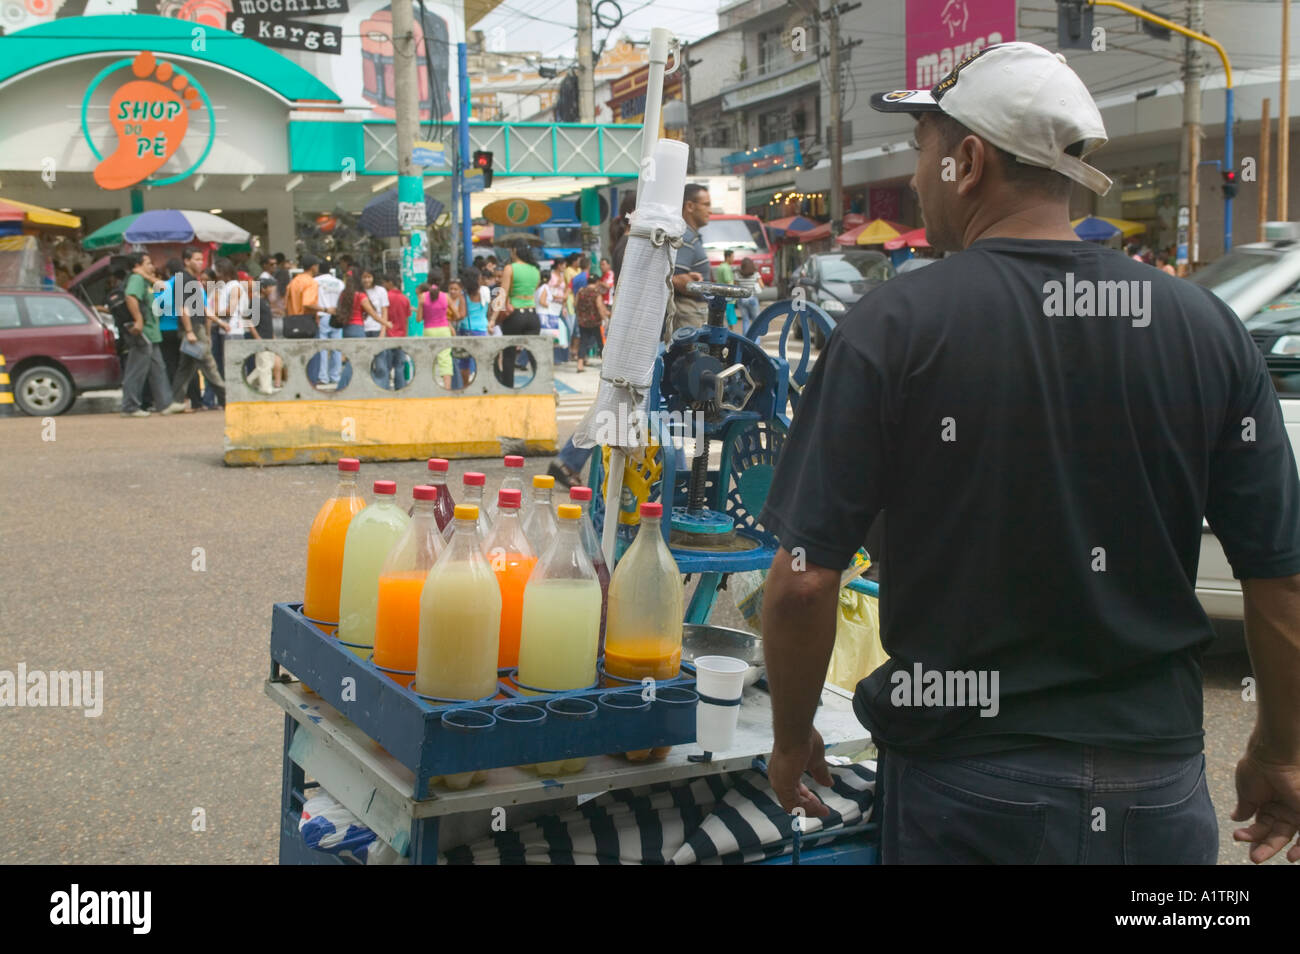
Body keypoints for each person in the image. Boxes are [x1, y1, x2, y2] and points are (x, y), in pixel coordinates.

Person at [758, 40, 1300, 866]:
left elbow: (802, 581)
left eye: (924, 151)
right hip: (1159, 791)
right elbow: (1283, 576)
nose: (914, 178)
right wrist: (1280, 749)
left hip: (971, 796)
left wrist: (791, 736)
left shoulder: (893, 327)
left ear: (968, 162)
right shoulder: (1206, 329)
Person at [164, 249, 225, 413]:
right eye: (196, 259)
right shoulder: (182, 280)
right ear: (186, 261)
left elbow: (202, 307)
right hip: (193, 329)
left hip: (196, 328)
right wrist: (189, 331)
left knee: (185, 367)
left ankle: (176, 401)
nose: (200, 263)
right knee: (209, 365)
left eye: (201, 259)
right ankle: (227, 399)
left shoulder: (192, 280)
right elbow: (182, 306)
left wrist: (219, 321)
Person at [118, 252, 173, 417]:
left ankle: (165, 403)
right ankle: (130, 406)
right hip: (142, 330)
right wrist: (138, 319)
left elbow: (164, 287)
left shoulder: (144, 279)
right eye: (148, 263)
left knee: (158, 369)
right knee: (136, 369)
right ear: (137, 265)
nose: (152, 266)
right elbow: (131, 297)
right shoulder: (135, 280)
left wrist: (145, 275)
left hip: (152, 331)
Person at [495, 242, 541, 388]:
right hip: (532, 315)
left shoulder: (510, 268)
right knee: (534, 354)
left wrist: (492, 319)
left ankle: (509, 388)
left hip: (515, 315)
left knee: (509, 354)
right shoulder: (535, 270)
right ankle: (542, 387)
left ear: (515, 250)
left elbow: (502, 295)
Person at [670, 183, 713, 333]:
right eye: (706, 205)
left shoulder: (689, 235)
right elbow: (676, 277)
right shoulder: (685, 236)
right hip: (690, 315)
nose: (710, 210)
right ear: (689, 206)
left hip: (694, 313)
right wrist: (692, 283)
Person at [454, 267, 491, 389]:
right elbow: (489, 310)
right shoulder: (485, 291)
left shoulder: (463, 295)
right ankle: (479, 386)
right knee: (480, 361)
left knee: (464, 362)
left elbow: (462, 314)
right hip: (482, 330)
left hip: (466, 330)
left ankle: (466, 386)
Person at [311, 264, 345, 389]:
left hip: (321, 315)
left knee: (322, 348)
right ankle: (335, 376)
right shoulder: (340, 283)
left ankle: (323, 377)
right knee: (336, 347)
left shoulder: (314, 282)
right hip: (337, 316)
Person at [419, 281, 455, 389]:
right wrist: (446, 318)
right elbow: (457, 313)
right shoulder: (446, 296)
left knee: (431, 359)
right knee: (445, 359)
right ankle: (447, 388)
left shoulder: (422, 297)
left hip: (429, 330)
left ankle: (432, 388)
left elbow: (419, 319)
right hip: (444, 330)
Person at [572, 281, 606, 373]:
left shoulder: (581, 292)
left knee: (583, 342)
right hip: (595, 322)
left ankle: (580, 365)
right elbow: (599, 307)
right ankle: (605, 365)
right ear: (597, 282)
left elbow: (575, 304)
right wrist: (604, 319)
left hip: (583, 322)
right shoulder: (596, 294)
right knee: (600, 343)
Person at [734, 258, 764, 334]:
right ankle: (755, 341)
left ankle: (746, 340)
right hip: (752, 298)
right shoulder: (756, 274)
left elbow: (735, 287)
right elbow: (762, 286)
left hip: (742, 299)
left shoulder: (737, 274)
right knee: (756, 321)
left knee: (745, 320)